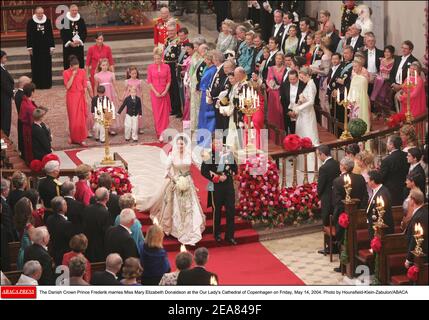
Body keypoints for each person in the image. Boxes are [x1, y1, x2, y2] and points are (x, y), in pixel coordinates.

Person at [150, 135, 206, 244]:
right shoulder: (172, 155)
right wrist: (174, 179)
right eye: (179, 144)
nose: (180, 146)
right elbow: (166, 171)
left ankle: (192, 229)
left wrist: (209, 171)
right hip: (176, 183)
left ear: (185, 144)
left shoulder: (190, 154)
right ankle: (177, 230)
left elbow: (200, 166)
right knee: (176, 206)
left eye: (182, 144)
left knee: (190, 205)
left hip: (188, 182)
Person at [201, 135, 237, 244]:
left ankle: (230, 236)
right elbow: (204, 171)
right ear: (212, 144)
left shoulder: (228, 154)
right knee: (217, 211)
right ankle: (217, 234)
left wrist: (230, 174)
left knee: (230, 210)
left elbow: (235, 168)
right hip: (216, 186)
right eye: (215, 143)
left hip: (228, 185)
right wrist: (216, 177)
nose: (218, 145)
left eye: (220, 143)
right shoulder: (209, 156)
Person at [332, 158, 368, 254]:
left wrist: (344, 213)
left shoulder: (337, 181)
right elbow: (365, 197)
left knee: (343, 239)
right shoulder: (360, 178)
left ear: (343, 167)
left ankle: (343, 264)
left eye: (340, 165)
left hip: (343, 216)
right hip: (359, 214)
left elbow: (336, 201)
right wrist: (360, 210)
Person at [292, 67, 320, 169]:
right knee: (302, 135)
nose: (301, 78)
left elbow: (311, 101)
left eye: (302, 76)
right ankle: (303, 164)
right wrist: (301, 99)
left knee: (309, 136)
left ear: (307, 75)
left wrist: (299, 108)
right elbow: (306, 98)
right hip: (303, 115)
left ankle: (312, 165)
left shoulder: (311, 85)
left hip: (308, 115)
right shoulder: (308, 84)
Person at [26, 6, 55, 89]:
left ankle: (47, 84)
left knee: (46, 66)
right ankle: (37, 85)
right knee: (36, 66)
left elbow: (50, 34)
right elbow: (28, 36)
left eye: (41, 13)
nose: (40, 14)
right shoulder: (30, 22)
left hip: (46, 48)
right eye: (38, 13)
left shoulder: (47, 21)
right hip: (35, 48)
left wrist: (52, 46)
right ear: (35, 13)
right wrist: (29, 47)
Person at [46, 196, 79, 266]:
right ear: (61, 208)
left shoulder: (49, 219)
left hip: (54, 251)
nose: (67, 206)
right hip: (63, 253)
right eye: (65, 204)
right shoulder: (66, 224)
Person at [82, 187, 112, 262]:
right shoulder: (105, 213)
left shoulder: (87, 209)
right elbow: (107, 232)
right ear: (107, 198)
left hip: (87, 244)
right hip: (100, 247)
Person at [147, 47, 171, 142]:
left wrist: (165, 91)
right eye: (155, 58)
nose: (157, 60)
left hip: (164, 92)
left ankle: (164, 132)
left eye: (159, 58)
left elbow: (169, 80)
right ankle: (159, 131)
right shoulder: (150, 67)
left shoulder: (167, 67)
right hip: (155, 93)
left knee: (165, 114)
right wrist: (155, 92)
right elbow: (149, 81)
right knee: (157, 114)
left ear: (162, 58)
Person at [64, 55, 88, 146]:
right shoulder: (66, 73)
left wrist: (84, 94)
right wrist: (73, 75)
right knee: (73, 117)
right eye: (75, 68)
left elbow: (85, 84)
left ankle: (81, 138)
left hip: (80, 96)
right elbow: (67, 86)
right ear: (70, 66)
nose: (77, 69)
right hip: (71, 97)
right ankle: (73, 137)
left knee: (81, 118)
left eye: (78, 67)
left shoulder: (82, 71)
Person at [316, 145, 340, 234]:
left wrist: (318, 195)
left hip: (326, 197)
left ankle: (329, 242)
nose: (318, 157)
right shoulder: (337, 163)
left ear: (322, 154)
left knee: (327, 221)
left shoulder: (323, 168)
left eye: (318, 155)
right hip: (336, 195)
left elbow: (321, 185)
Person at [380, 135, 409, 206]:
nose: (386, 144)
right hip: (404, 189)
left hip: (390, 192)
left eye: (387, 142)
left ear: (392, 145)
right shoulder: (407, 156)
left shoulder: (386, 160)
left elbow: (382, 177)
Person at [389, 41, 418, 112]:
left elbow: (411, 78)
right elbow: (392, 72)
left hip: (405, 87)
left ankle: (401, 116)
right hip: (395, 84)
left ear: (410, 50)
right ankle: (395, 116)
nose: (403, 50)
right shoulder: (397, 58)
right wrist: (393, 83)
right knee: (391, 100)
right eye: (402, 48)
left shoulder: (413, 61)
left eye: (406, 48)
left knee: (398, 98)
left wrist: (400, 86)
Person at [94, 58, 120, 135]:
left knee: (110, 110)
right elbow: (96, 86)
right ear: (100, 66)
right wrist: (96, 96)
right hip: (102, 94)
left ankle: (110, 127)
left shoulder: (111, 74)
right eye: (103, 65)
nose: (105, 66)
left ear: (108, 66)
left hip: (110, 94)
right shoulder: (97, 75)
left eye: (106, 65)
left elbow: (115, 85)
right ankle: (103, 127)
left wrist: (117, 94)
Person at [366, 170, 394, 239]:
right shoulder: (378, 190)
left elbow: (382, 214)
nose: (367, 182)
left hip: (380, 230)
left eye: (368, 180)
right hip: (375, 227)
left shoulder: (382, 194)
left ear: (373, 181)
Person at [404, 189, 428, 268]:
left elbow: (414, 239)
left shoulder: (418, 217)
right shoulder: (424, 211)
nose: (408, 200)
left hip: (418, 257)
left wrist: (408, 259)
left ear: (413, 200)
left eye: (409, 198)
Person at [197, 51, 217, 141]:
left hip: (208, 94)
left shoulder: (213, 70)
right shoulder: (208, 68)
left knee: (207, 114)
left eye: (205, 59)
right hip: (204, 93)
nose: (204, 61)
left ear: (209, 60)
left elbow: (210, 83)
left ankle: (208, 135)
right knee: (202, 114)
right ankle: (202, 135)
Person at [164, 21, 182, 118]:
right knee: (170, 87)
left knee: (175, 87)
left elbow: (179, 55)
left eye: (172, 31)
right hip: (167, 66)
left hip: (174, 66)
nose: (170, 32)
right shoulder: (166, 40)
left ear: (175, 30)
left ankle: (179, 109)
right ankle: (173, 108)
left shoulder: (178, 41)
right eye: (169, 31)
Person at [60, 4, 87, 69]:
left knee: (79, 63)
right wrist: (70, 42)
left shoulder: (81, 20)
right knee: (68, 64)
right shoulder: (65, 20)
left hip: (78, 46)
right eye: (73, 10)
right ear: (69, 10)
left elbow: (84, 32)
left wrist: (79, 41)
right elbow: (63, 33)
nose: (75, 12)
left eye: (76, 10)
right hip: (69, 47)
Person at [348, 56, 371, 132]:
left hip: (360, 102)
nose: (354, 68)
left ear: (361, 67)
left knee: (359, 119)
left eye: (356, 66)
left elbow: (363, 93)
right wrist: (349, 100)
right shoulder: (354, 77)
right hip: (353, 102)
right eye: (353, 66)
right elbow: (351, 89)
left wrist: (356, 102)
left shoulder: (363, 79)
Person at [280, 70, 306, 135]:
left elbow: (305, 100)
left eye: (294, 79)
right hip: (287, 112)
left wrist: (297, 111)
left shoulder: (303, 85)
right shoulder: (284, 85)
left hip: (300, 113)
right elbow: (283, 100)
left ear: (297, 78)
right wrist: (288, 111)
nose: (292, 81)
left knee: (298, 132)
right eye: (290, 79)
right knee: (287, 132)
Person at [370, 45, 395, 111]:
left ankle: (386, 112)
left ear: (392, 53)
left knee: (383, 91)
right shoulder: (381, 60)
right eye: (385, 52)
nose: (386, 53)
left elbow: (393, 74)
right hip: (379, 80)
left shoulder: (394, 62)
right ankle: (379, 112)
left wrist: (385, 78)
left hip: (388, 81)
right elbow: (379, 71)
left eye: (388, 52)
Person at [267, 52, 286, 131]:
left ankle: (281, 131)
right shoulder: (271, 68)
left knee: (280, 112)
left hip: (280, 93)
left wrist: (279, 86)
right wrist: (271, 84)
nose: (277, 60)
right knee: (272, 113)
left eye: (279, 59)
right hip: (272, 93)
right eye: (276, 58)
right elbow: (268, 79)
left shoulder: (285, 69)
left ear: (282, 60)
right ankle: (272, 132)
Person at [19, 83, 38, 164]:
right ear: (32, 92)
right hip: (29, 129)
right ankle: (32, 164)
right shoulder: (29, 106)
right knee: (31, 147)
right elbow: (34, 120)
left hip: (26, 127)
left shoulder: (25, 100)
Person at [122, 66, 144, 135]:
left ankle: (139, 127)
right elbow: (125, 91)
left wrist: (142, 99)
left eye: (135, 73)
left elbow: (141, 91)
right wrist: (122, 98)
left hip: (137, 98)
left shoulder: (139, 81)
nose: (134, 75)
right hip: (129, 99)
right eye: (133, 73)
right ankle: (130, 126)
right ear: (129, 74)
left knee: (137, 112)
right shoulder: (127, 81)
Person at [15, 197, 34, 270]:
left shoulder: (19, 222)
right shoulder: (29, 226)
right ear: (27, 210)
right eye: (31, 206)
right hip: (28, 254)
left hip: (21, 253)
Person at [14, 76, 32, 157]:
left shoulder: (20, 94)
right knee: (24, 139)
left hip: (21, 119)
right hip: (24, 120)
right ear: (24, 85)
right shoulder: (21, 96)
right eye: (29, 84)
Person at [0, 50, 14, 137]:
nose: (6, 59)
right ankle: (5, 138)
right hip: (3, 97)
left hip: (5, 96)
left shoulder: (2, 68)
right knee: (5, 118)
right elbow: (4, 84)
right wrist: (12, 93)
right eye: (5, 57)